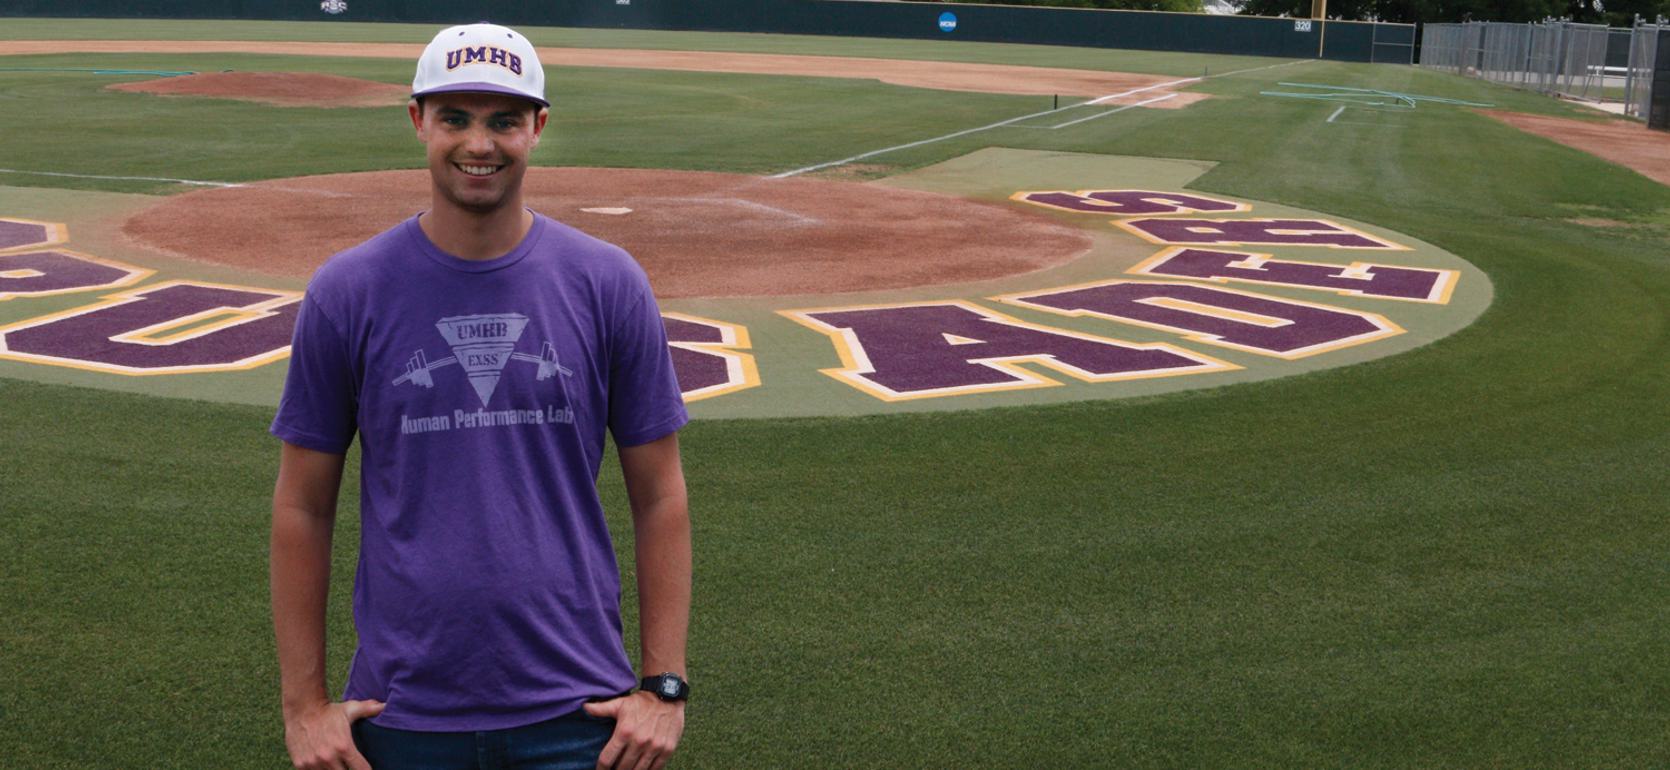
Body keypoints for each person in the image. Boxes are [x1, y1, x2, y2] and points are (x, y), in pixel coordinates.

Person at [269, 22, 691, 770]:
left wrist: (662, 686)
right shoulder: (349, 290)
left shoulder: (606, 282)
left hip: (581, 715)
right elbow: (302, 505)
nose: (480, 144)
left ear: (538, 127)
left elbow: (660, 495)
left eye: (503, 121)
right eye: (455, 118)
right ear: (417, 121)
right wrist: (303, 706)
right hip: (402, 714)